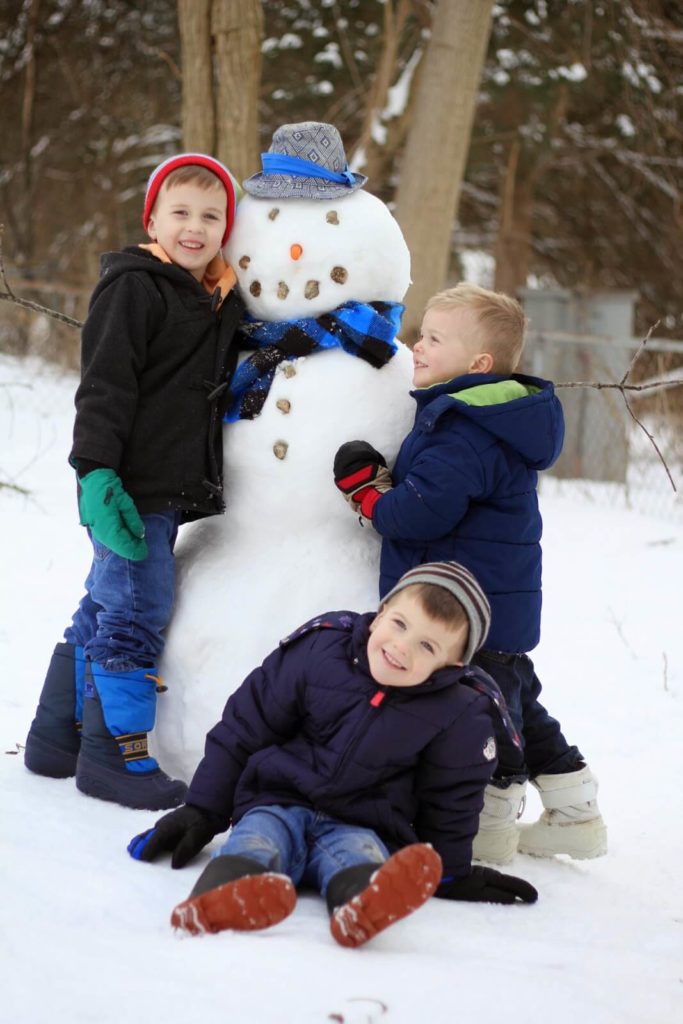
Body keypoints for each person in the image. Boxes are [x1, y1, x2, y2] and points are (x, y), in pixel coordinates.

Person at [333, 283, 607, 864]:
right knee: (516, 704)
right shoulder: (489, 419)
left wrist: (368, 494)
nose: (418, 346)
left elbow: (418, 513)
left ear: (478, 363)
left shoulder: (464, 430)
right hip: (493, 603)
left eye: (433, 338)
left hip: (466, 609)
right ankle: (576, 810)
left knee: (487, 715)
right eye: (420, 333)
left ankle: (491, 825)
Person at [127, 561, 537, 948]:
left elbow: (449, 797)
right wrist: (203, 809)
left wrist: (449, 871)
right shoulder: (321, 652)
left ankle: (363, 907)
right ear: (381, 612)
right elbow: (245, 726)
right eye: (398, 624)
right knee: (254, 845)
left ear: (454, 664)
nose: (401, 647)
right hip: (276, 802)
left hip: (362, 825)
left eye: (427, 646)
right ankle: (223, 897)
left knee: (362, 863)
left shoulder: (458, 712)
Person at [24, 153, 245, 812]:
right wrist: (95, 474)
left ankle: (54, 738)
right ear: (152, 219)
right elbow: (105, 388)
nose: (195, 227)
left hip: (165, 490)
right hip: (128, 489)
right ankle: (113, 757)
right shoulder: (135, 287)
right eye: (180, 212)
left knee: (102, 606)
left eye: (211, 216)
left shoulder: (212, 297)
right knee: (135, 614)